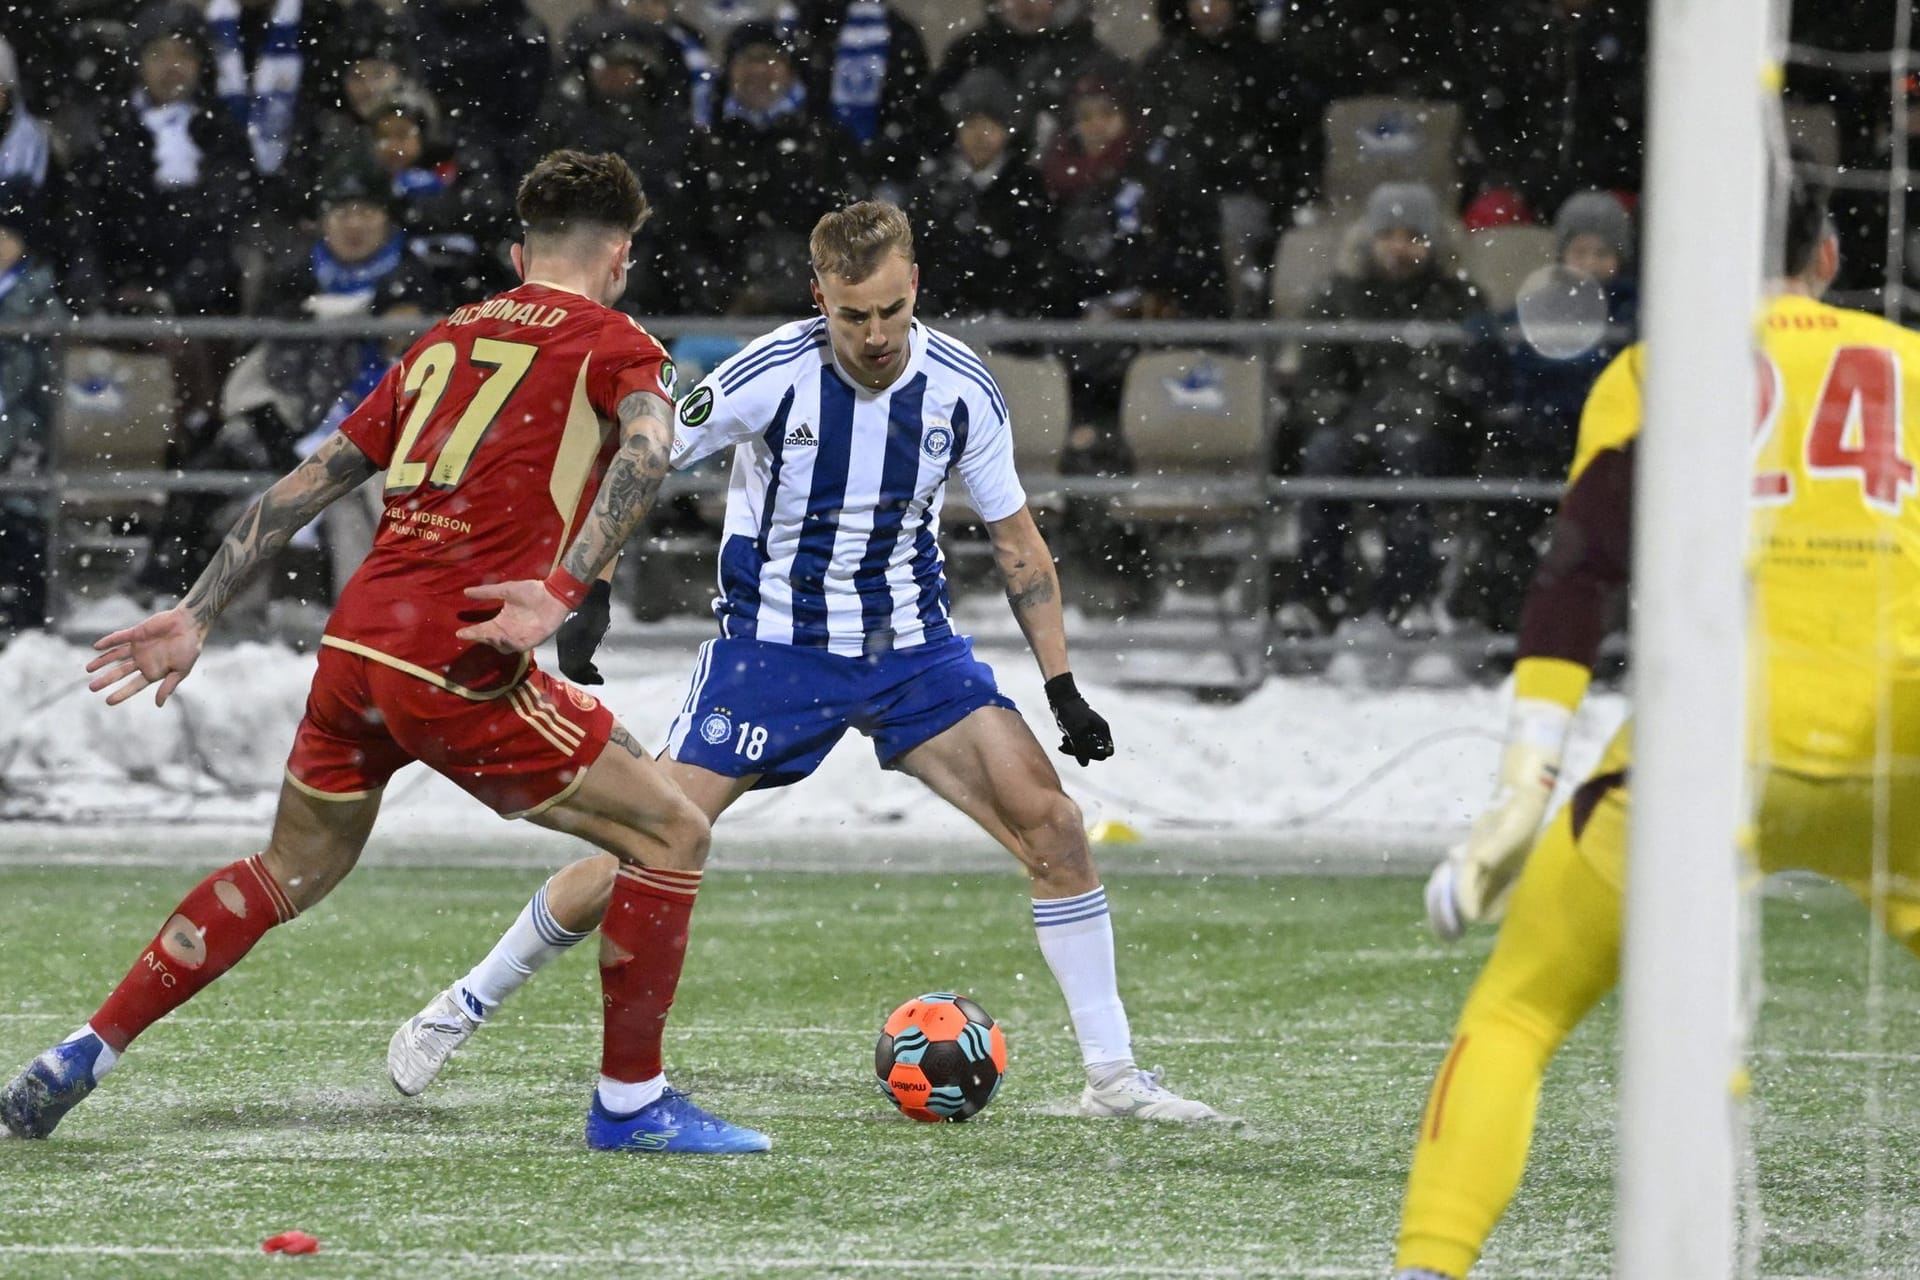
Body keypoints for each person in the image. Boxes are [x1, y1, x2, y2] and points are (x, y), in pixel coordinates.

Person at [0, 150, 772, 1156]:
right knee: (671, 830)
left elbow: (307, 482)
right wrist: (563, 589)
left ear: (516, 250)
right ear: (619, 254)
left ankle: (83, 1049)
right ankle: (631, 1101)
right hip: (457, 655)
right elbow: (650, 446)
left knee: (288, 867)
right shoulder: (618, 341)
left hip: (360, 640)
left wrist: (197, 610)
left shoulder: (444, 338)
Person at [386, 200, 1220, 1124]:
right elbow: (639, 458)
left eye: (891, 312)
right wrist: (589, 589)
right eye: (851, 315)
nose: (873, 335)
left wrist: (1062, 687)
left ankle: (1114, 1079)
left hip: (912, 651)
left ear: (916, 290)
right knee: (647, 841)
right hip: (773, 655)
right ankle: (464, 1003)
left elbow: (1020, 545)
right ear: (817, 297)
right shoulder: (767, 375)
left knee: (1055, 828)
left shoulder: (963, 388)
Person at [1395, 172, 1920, 1277]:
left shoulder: (1656, 370)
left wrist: (1527, 777)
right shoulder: (1914, 364)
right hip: (1902, 742)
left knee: (1517, 1012)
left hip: (1711, 750)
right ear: (1826, 259)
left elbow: (1579, 574)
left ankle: (1425, 1266)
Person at [1282, 181, 1482, 639]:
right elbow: (1314, 382)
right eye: (1389, 235)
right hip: (1350, 426)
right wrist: (1354, 416)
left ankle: (1408, 597)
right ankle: (1313, 597)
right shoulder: (1337, 297)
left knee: (1408, 458)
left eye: (1413, 236)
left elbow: (1471, 386)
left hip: (1431, 435)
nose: (1400, 247)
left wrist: (1422, 409)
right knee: (1322, 459)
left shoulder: (1459, 302)